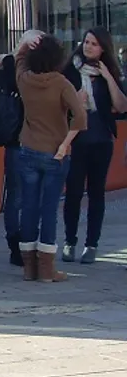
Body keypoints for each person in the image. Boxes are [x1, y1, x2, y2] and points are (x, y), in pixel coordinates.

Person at [14, 30, 85, 282]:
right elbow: (80, 117)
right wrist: (65, 144)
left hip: (27, 150)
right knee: (49, 209)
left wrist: (25, 43)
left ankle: (29, 268)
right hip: (55, 153)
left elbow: (19, 57)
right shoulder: (62, 83)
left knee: (29, 207)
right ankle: (47, 270)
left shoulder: (24, 79)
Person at [60, 28, 127, 264]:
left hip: (102, 141)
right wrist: (74, 102)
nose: (88, 46)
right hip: (77, 141)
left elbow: (121, 106)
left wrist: (108, 77)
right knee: (74, 192)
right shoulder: (70, 71)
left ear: (103, 49)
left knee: (97, 193)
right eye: (86, 42)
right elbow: (58, 105)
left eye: (94, 44)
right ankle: (69, 241)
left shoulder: (107, 73)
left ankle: (92, 244)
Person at [0, 51, 23, 266]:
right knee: (18, 197)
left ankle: (21, 246)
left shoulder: (32, 73)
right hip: (19, 144)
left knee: (18, 197)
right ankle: (18, 246)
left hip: (23, 145)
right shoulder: (12, 74)